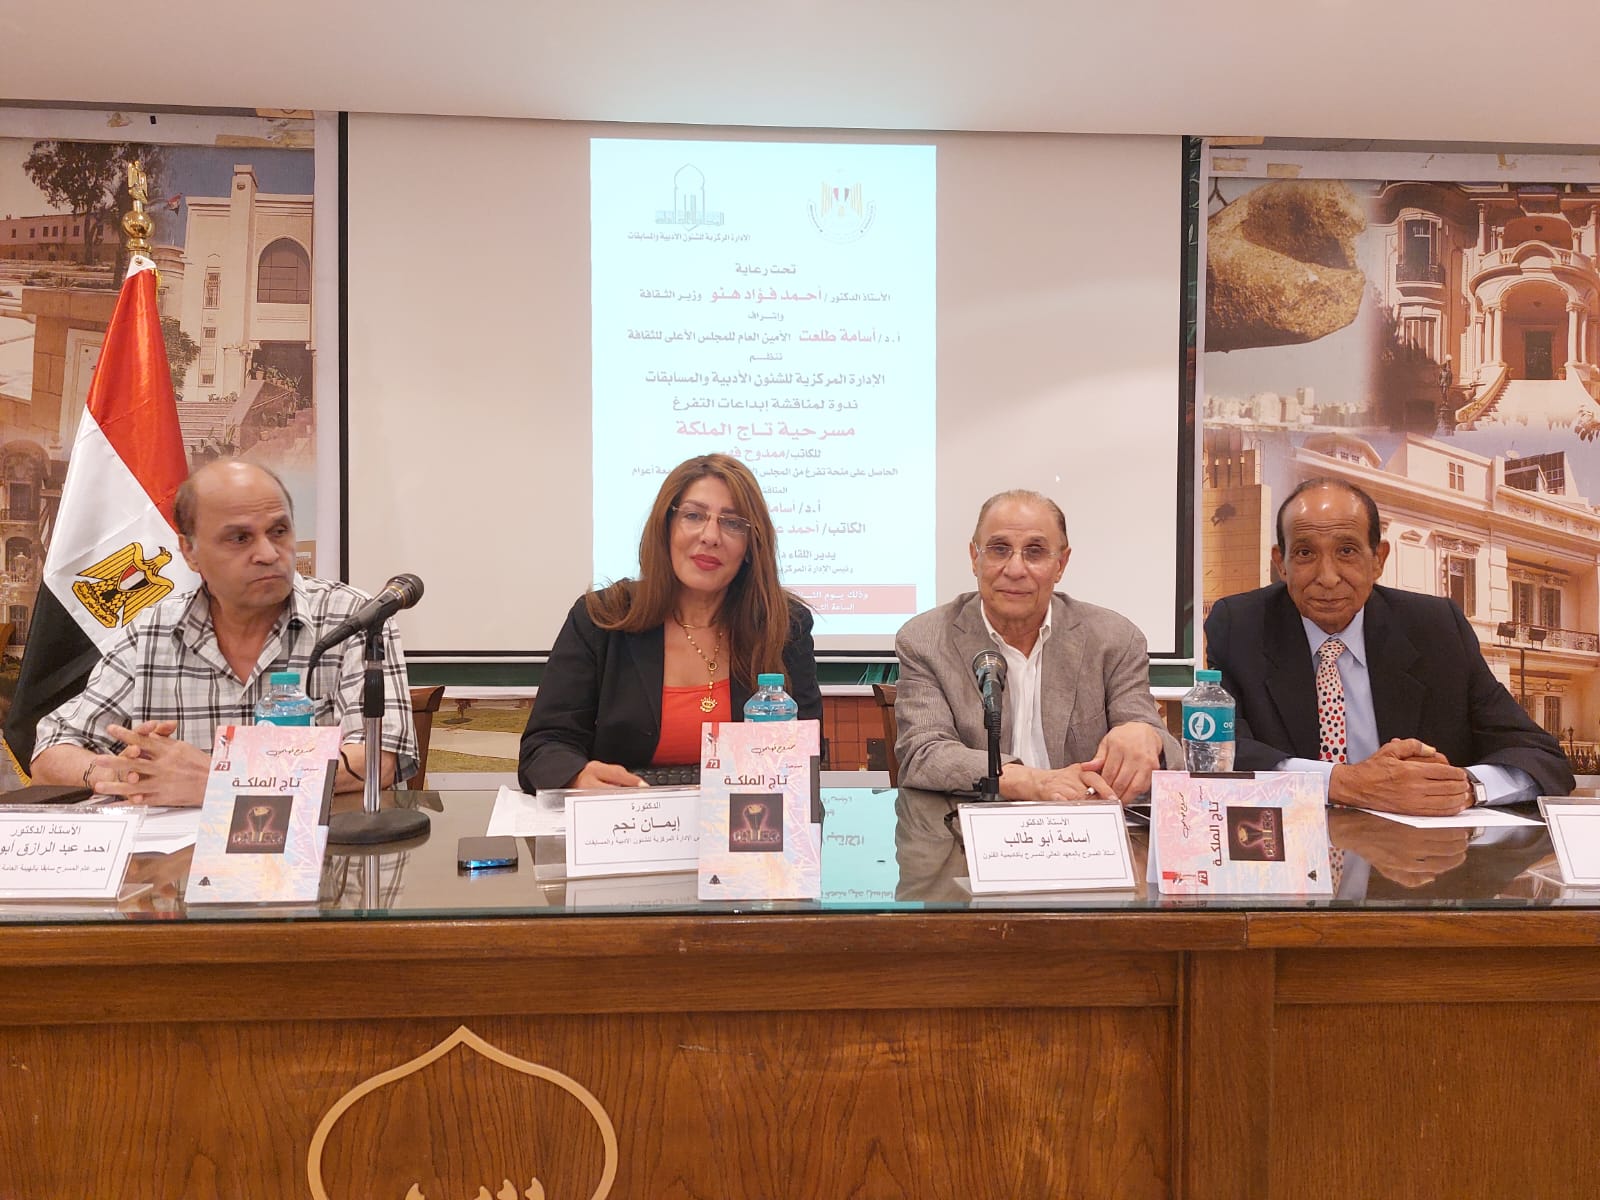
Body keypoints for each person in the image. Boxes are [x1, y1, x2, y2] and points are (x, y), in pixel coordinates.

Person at [30, 460, 417, 805]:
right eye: (240, 538)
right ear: (189, 551)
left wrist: (220, 779)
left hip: (318, 858)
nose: (268, 553)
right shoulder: (152, 631)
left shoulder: (351, 618)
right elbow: (50, 751)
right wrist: (128, 773)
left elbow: (378, 759)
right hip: (175, 862)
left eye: (279, 531)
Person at [1205, 477, 1574, 816]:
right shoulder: (1240, 626)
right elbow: (1217, 752)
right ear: (1281, 564)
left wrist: (1465, 787)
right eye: (1305, 553)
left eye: (1346, 551)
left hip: (1416, 858)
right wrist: (1343, 783)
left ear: (1378, 559)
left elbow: (1541, 756)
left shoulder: (1436, 629)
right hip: (1292, 852)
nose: (1327, 578)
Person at [519, 454, 821, 791]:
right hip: (624, 816)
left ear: (751, 546)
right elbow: (543, 746)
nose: (711, 536)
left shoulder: (784, 625)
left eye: (733, 523)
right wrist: (577, 777)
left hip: (746, 818)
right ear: (665, 528)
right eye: (693, 515)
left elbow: (806, 755)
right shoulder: (601, 618)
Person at [893, 490, 1178, 802]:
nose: (1015, 569)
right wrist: (1032, 782)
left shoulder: (1114, 639)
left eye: (1035, 552)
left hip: (1083, 823)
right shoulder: (927, 639)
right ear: (975, 558)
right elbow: (923, 753)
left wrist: (1145, 737)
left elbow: (1168, 753)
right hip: (966, 825)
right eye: (999, 550)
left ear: (1061, 564)